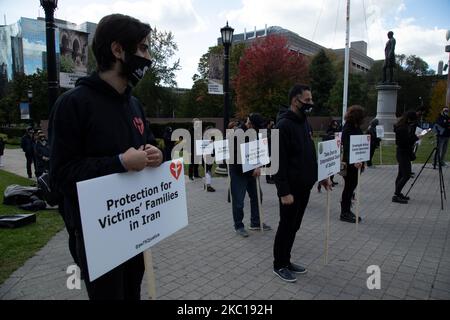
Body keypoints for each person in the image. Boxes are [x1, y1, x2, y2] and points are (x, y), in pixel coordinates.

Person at [49, 14, 163, 300]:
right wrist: (120, 163)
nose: (148, 57)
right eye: (143, 48)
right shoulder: (72, 105)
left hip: (134, 228)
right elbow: (62, 174)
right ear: (117, 50)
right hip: (96, 236)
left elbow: (146, 144)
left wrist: (155, 154)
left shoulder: (134, 104)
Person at [273, 84, 331, 283]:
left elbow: (310, 153)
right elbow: (277, 161)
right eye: (307, 100)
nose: (310, 104)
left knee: (294, 226)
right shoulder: (282, 126)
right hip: (290, 190)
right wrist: (283, 191)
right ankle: (279, 264)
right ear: (294, 101)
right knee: (286, 226)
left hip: (304, 186)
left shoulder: (305, 122)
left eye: (311, 100)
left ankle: (286, 260)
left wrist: (321, 176)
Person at [229, 113, 272, 238]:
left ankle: (255, 222)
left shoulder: (254, 133)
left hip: (252, 170)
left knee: (257, 195)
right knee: (238, 201)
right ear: (250, 124)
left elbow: (258, 150)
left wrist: (258, 165)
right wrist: (251, 171)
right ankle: (239, 226)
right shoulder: (237, 134)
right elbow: (236, 158)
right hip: (239, 172)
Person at [340, 105, 365, 223]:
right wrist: (354, 160)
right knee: (348, 188)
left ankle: (347, 209)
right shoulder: (348, 128)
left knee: (351, 187)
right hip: (350, 164)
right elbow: (348, 146)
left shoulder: (355, 127)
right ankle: (344, 212)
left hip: (357, 162)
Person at [392, 111, 420, 204]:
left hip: (402, 152)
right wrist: (416, 138)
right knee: (406, 175)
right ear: (409, 119)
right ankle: (396, 195)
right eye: (413, 120)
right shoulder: (402, 128)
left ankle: (398, 193)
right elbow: (405, 142)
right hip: (403, 153)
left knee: (401, 174)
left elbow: (407, 140)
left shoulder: (404, 126)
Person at [318, 120, 341, 192]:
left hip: (334, 153)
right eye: (334, 125)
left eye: (336, 125)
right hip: (328, 154)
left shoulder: (336, 132)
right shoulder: (329, 132)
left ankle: (331, 180)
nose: (335, 126)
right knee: (325, 171)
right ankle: (320, 185)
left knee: (333, 169)